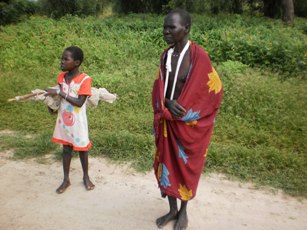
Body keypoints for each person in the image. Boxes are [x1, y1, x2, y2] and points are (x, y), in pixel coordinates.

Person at [152, 9, 223, 229]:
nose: (166, 31)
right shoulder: (166, 56)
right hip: (167, 124)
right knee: (167, 165)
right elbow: (158, 88)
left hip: (188, 126)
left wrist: (187, 112)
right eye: (164, 27)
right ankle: (172, 210)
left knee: (185, 168)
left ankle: (183, 212)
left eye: (171, 27)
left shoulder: (199, 56)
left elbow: (214, 91)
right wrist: (166, 101)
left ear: (186, 29)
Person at [45, 46, 95, 194]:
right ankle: (66, 179)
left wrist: (60, 92)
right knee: (66, 149)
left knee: (82, 150)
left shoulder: (85, 80)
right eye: (62, 58)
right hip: (64, 122)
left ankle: (86, 177)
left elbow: (80, 102)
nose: (62, 61)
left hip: (78, 122)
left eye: (66, 59)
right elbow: (58, 98)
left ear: (77, 62)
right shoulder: (62, 77)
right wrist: (52, 105)